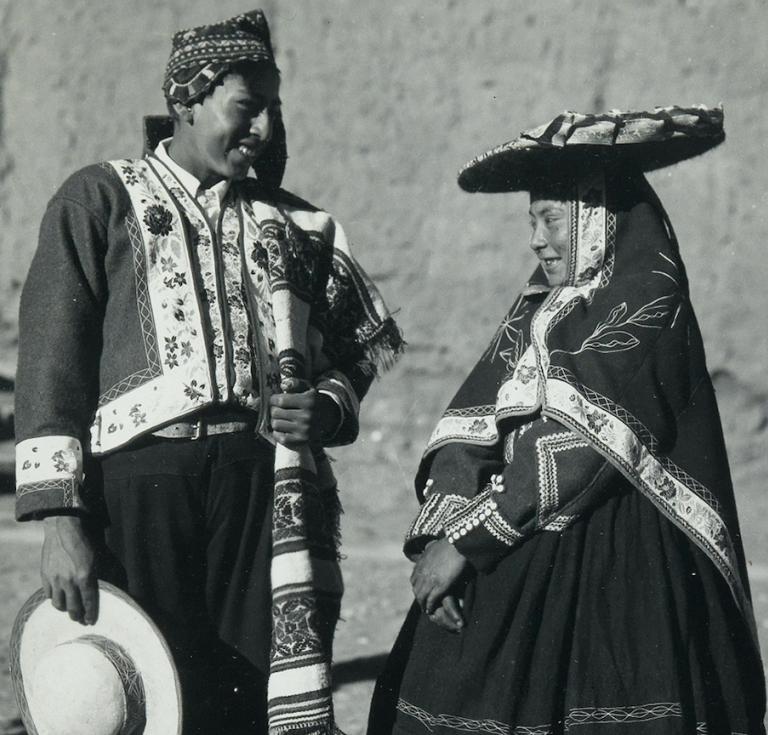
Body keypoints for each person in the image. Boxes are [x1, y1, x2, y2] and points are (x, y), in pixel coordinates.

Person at [14, 10, 402, 735]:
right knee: (150, 688)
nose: (260, 129)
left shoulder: (293, 224)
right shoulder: (100, 199)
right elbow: (51, 360)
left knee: (244, 695)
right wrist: (62, 518)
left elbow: (359, 342)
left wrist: (327, 404)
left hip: (258, 489)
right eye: (245, 109)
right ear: (188, 101)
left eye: (271, 111)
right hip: (140, 488)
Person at [368, 106, 765, 735]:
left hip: (616, 554)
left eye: (552, 217)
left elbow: (578, 448)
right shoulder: (540, 308)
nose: (536, 238)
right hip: (513, 534)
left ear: (598, 217)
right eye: (531, 219)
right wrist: (443, 524)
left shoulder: (648, 300)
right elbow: (474, 417)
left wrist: (468, 544)